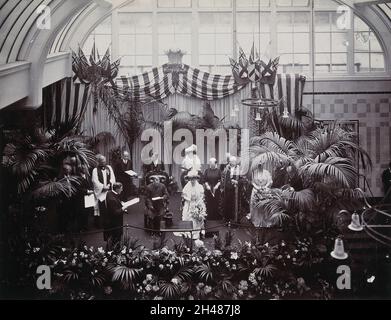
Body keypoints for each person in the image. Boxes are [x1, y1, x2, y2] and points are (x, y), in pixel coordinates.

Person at [174, 170, 206, 240]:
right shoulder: (186, 187)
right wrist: (188, 200)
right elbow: (183, 195)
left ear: (196, 179)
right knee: (187, 216)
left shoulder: (200, 187)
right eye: (191, 179)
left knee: (197, 217)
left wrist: (197, 205)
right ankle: (188, 232)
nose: (192, 181)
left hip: (197, 203)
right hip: (189, 203)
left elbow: (201, 196)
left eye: (193, 179)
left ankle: (197, 232)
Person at [92, 155, 116, 228]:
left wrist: (109, 185)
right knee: (101, 207)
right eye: (102, 161)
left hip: (108, 190)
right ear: (99, 162)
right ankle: (100, 224)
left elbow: (113, 178)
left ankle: (109, 223)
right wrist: (102, 187)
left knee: (109, 206)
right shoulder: (95, 170)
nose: (104, 162)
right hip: (101, 192)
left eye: (105, 161)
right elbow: (95, 181)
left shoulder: (109, 168)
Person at [250, 163, 273, 227]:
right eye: (259, 165)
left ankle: (265, 222)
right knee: (256, 205)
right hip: (256, 190)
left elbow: (270, 181)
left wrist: (265, 187)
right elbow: (252, 182)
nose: (260, 166)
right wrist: (257, 188)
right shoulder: (254, 172)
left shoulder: (267, 172)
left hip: (265, 190)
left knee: (264, 206)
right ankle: (256, 221)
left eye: (261, 165)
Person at [221, 156, 241, 223]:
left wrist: (237, 182)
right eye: (231, 161)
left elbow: (243, 179)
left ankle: (234, 221)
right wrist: (222, 186)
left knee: (234, 205)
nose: (232, 162)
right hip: (227, 190)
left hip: (235, 191)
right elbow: (223, 177)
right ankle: (227, 220)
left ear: (235, 162)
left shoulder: (239, 169)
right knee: (227, 204)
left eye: (233, 161)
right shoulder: (226, 168)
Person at [75, 164, 94, 231]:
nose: (87, 170)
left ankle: (86, 226)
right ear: (82, 170)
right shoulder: (77, 178)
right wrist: (87, 191)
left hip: (88, 197)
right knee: (81, 212)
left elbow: (91, 184)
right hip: (81, 198)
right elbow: (78, 189)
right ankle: (80, 227)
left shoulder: (88, 176)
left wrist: (92, 190)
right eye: (85, 169)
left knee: (87, 211)